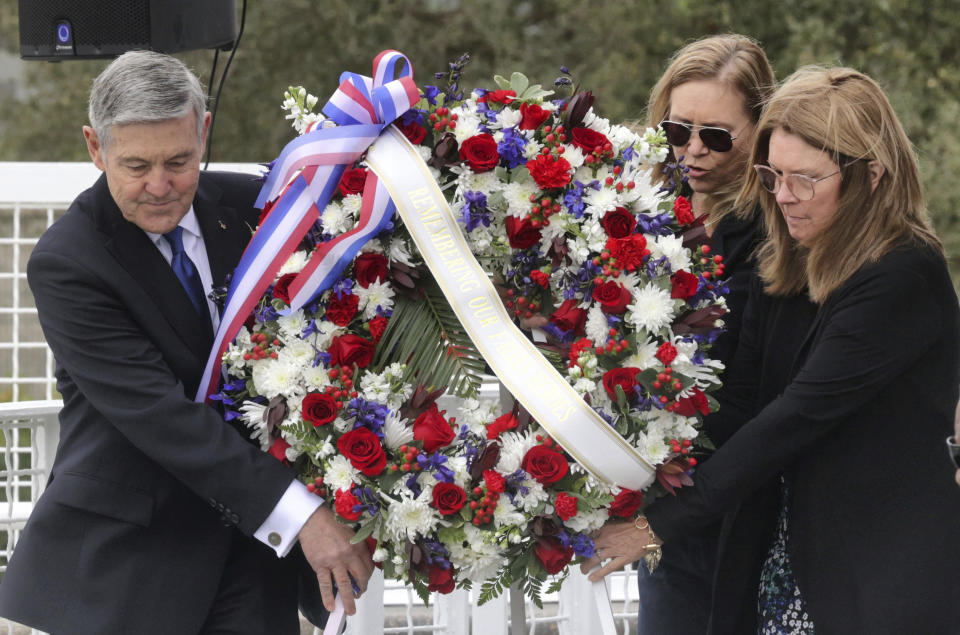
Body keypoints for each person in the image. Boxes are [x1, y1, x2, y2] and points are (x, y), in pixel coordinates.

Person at [0, 51, 373, 635]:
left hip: (254, 561)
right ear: (95, 149)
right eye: (135, 165)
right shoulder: (67, 262)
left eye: (179, 160)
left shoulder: (255, 209)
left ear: (204, 133)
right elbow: (163, 417)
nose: (159, 186)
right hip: (132, 568)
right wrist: (303, 515)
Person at [586, 66, 960, 634]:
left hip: (882, 570)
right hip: (791, 558)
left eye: (804, 179)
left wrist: (654, 526)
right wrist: (623, 466)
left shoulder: (902, 273)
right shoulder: (792, 256)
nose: (782, 197)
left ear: (873, 175)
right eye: (772, 175)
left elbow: (791, 419)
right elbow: (743, 403)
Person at [634, 34, 778, 635]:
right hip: (662, 498)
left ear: (761, 132)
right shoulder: (645, 211)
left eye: (716, 137)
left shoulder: (776, 236)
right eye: (676, 130)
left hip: (742, 504)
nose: (692, 150)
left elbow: (754, 390)